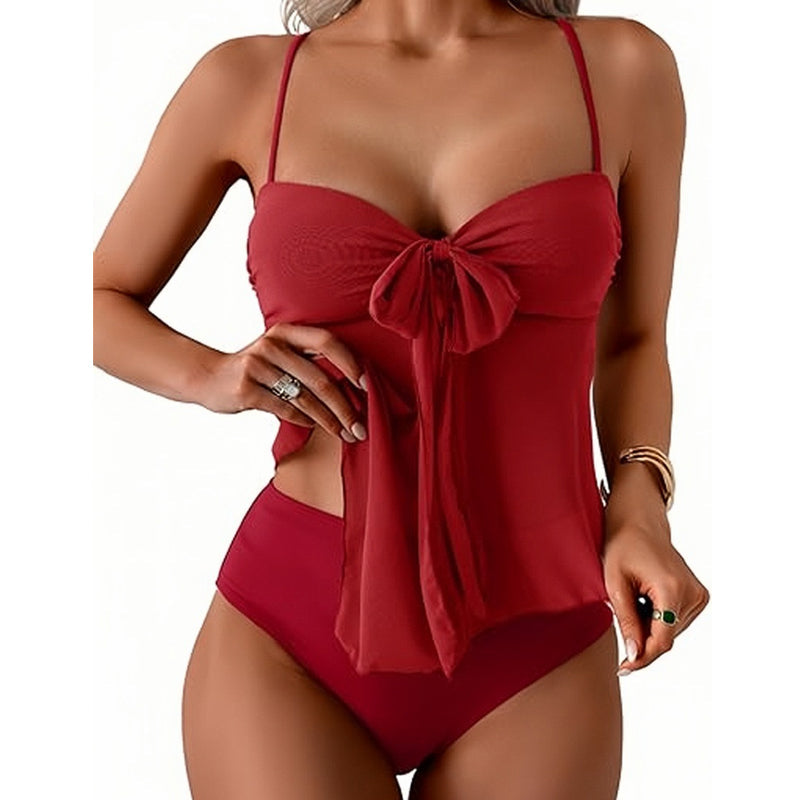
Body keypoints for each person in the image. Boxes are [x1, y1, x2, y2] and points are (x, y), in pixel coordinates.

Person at [93, 1, 710, 797]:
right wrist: (210, 374)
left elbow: (636, 339)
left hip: (541, 639)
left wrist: (640, 504)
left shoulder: (622, 69)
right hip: (292, 632)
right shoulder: (245, 81)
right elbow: (96, 299)